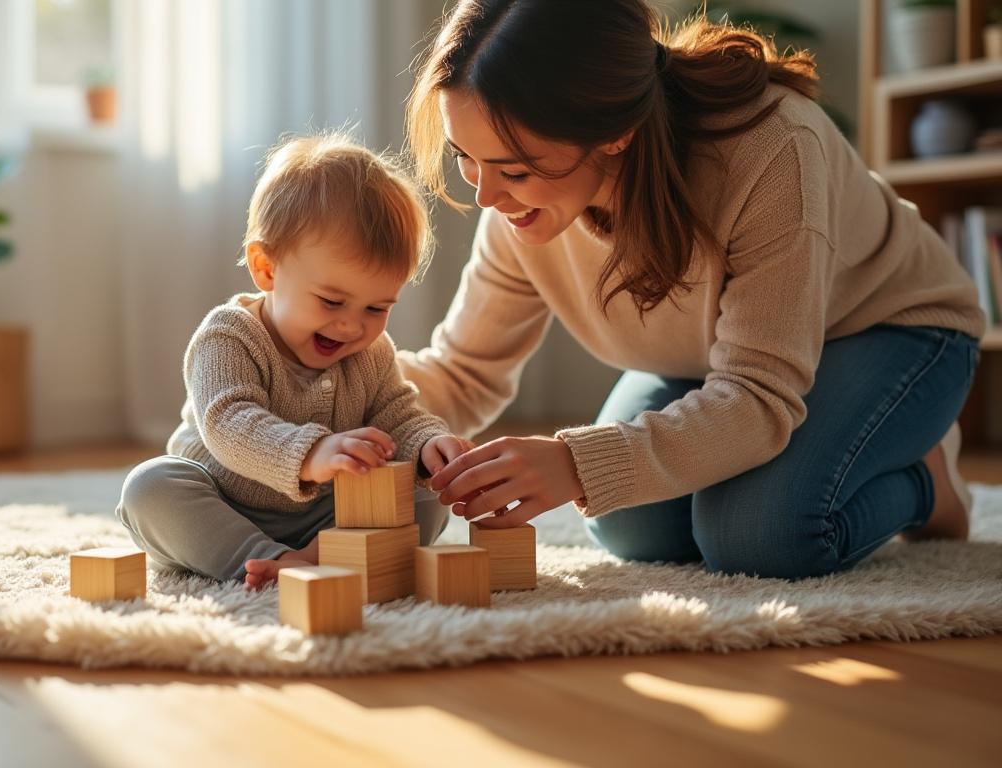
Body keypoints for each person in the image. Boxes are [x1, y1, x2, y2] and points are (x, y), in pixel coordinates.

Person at [398, 0, 985, 579]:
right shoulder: (520, 211)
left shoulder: (771, 149)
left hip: (892, 331)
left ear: (613, 133)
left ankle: (926, 481)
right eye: (465, 159)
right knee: (631, 525)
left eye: (516, 169)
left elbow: (757, 396)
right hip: (717, 361)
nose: (486, 199)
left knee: (758, 535)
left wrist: (577, 463)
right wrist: (359, 412)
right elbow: (464, 371)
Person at [116, 133, 472, 589]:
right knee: (150, 488)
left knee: (424, 496)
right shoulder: (229, 335)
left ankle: (323, 554)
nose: (351, 327)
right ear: (266, 269)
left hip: (324, 513)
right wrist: (310, 453)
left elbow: (397, 416)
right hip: (225, 504)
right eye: (331, 300)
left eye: (376, 308)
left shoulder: (371, 352)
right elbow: (229, 422)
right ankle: (267, 560)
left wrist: (427, 446)